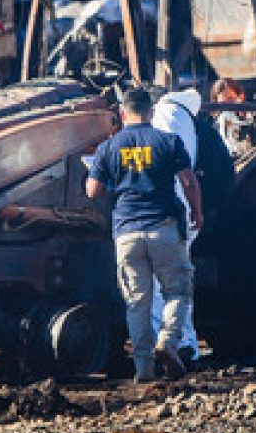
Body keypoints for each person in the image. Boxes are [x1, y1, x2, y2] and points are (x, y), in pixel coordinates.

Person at [85, 85, 203, 382]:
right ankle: (169, 341)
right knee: (177, 290)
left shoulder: (108, 148)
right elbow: (189, 183)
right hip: (163, 228)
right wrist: (197, 213)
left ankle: (144, 370)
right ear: (151, 111)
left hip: (126, 233)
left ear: (122, 113)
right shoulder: (168, 140)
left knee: (137, 303)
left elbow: (92, 191)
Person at [149, 88, 203, 366]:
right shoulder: (184, 119)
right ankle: (182, 345)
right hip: (175, 215)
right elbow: (189, 179)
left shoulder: (165, 118)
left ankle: (172, 343)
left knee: (158, 286)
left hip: (156, 215)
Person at [210, 77, 249, 156]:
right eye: (223, 103)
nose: (227, 106)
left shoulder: (254, 116)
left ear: (240, 96)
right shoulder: (216, 123)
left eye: (231, 99)